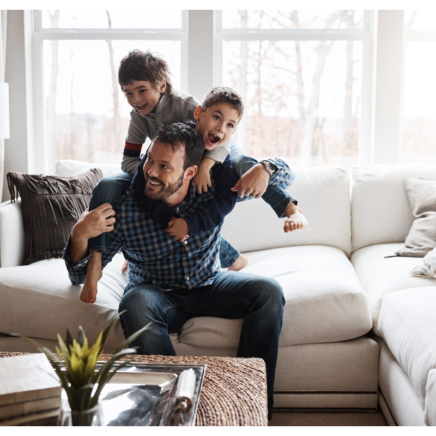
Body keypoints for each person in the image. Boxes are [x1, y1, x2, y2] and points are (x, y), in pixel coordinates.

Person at [63, 123, 285, 417]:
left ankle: (250, 404)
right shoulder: (126, 207)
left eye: (164, 166)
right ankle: (177, 411)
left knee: (269, 292)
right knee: (134, 302)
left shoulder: (212, 191)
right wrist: (79, 234)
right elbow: (79, 276)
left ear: (190, 172)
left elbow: (284, 179)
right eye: (150, 160)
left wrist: (266, 168)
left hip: (210, 284)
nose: (151, 172)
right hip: (155, 294)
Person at [81, 49, 307, 304]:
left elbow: (217, 134)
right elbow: (128, 160)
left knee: (246, 168)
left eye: (142, 90)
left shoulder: (185, 106)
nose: (136, 99)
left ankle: (289, 208)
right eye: (128, 93)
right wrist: (153, 174)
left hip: (212, 155)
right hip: (171, 173)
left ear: (162, 85)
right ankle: (97, 259)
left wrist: (207, 167)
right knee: (108, 185)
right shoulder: (138, 118)